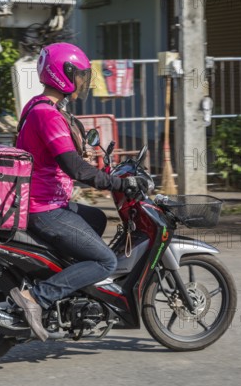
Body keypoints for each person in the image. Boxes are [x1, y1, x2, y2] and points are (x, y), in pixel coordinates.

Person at [10, 42, 149, 341]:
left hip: (49, 202)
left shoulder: (38, 105)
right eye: (80, 76)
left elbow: (59, 157)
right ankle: (39, 297)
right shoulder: (47, 114)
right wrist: (119, 183)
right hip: (44, 209)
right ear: (64, 74)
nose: (82, 83)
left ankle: (69, 286)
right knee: (106, 261)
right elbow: (76, 169)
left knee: (97, 219)